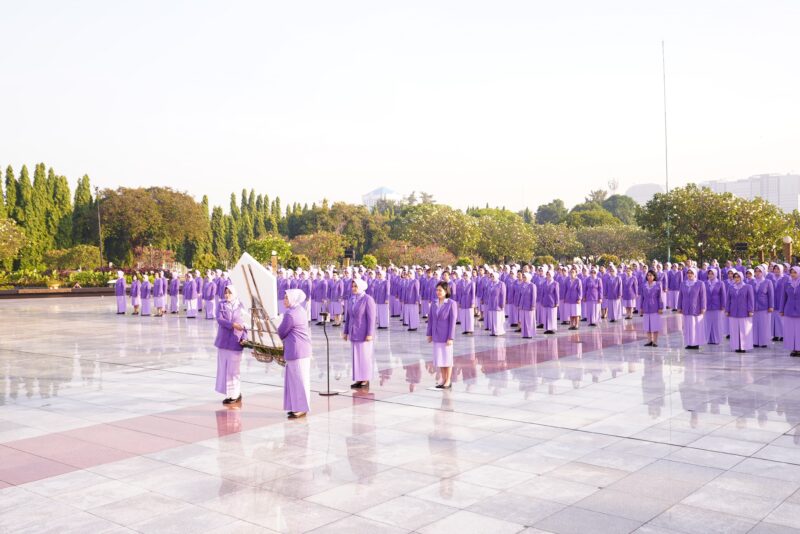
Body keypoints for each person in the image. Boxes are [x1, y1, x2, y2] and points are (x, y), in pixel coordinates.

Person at [278, 289, 313, 418]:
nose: (284, 300)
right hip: (301, 350)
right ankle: (297, 406)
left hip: (297, 350)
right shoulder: (300, 310)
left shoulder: (291, 314)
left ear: (293, 299)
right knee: (298, 380)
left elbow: (281, 332)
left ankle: (301, 408)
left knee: (299, 380)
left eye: (286, 298)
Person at [215, 285, 247, 404]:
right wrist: (232, 325)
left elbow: (246, 324)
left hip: (236, 341)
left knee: (234, 370)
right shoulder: (221, 304)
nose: (227, 295)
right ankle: (229, 394)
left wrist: (245, 338)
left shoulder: (241, 306)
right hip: (223, 341)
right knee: (224, 368)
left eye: (229, 293)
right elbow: (219, 319)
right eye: (225, 293)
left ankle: (236, 394)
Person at [344, 278, 376, 389]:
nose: (353, 288)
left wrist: (370, 333)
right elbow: (348, 316)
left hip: (363, 333)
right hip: (354, 332)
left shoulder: (368, 299)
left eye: (355, 286)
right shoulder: (352, 299)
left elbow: (371, 318)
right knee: (356, 357)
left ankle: (365, 378)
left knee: (364, 356)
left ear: (361, 287)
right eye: (352, 286)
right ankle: (358, 378)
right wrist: (345, 331)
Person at [427, 281, 457, 389]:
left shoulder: (451, 303)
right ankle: (443, 379)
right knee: (440, 359)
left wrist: (450, 337)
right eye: (437, 290)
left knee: (447, 359)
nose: (438, 292)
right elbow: (430, 319)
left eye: (440, 290)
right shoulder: (434, 303)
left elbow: (453, 322)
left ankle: (448, 380)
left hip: (446, 337)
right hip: (436, 335)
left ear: (446, 291)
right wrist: (429, 334)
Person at [677, 267, 706, 350]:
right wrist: (679, 307)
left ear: (695, 274)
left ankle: (695, 343)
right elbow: (680, 296)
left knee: (695, 326)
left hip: (696, 308)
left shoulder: (700, 283)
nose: (689, 275)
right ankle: (689, 343)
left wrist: (703, 307)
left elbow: (703, 297)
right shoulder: (683, 283)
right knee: (687, 326)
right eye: (688, 273)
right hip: (686, 308)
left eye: (691, 273)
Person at [726, 271, 754, 353]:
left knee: (744, 330)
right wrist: (727, 310)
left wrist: (750, 310)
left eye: (738, 277)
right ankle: (736, 346)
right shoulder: (731, 287)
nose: (736, 279)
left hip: (744, 312)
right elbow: (728, 300)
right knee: (734, 330)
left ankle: (744, 346)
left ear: (742, 277)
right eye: (735, 277)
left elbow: (750, 300)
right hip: (733, 312)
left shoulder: (748, 287)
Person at [752, 265, 774, 348]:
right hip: (754, 307)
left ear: (763, 272)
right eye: (756, 271)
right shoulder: (751, 282)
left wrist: (771, 306)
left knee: (764, 325)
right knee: (754, 325)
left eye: (759, 271)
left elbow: (771, 295)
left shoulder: (768, 282)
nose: (757, 273)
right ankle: (755, 341)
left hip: (764, 307)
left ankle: (764, 342)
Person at [640, 270, 664, 347]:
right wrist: (641, 307)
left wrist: (661, 307)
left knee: (655, 324)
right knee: (648, 325)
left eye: (651, 275)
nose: (649, 277)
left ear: (654, 276)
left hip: (655, 306)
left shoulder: (658, 284)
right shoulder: (644, 285)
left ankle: (655, 341)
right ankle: (649, 340)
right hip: (646, 306)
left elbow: (660, 297)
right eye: (648, 275)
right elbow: (642, 297)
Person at [781, 266, 800, 357]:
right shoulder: (787, 283)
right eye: (791, 272)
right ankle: (794, 349)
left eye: (794, 272)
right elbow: (783, 297)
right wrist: (781, 310)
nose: (792, 274)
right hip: (789, 310)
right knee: (791, 331)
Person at [705, 268, 727, 345]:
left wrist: (723, 305)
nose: (710, 275)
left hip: (717, 306)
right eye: (709, 274)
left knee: (716, 323)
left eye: (712, 274)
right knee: (707, 323)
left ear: (715, 274)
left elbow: (723, 295)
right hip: (707, 306)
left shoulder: (720, 283)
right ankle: (709, 339)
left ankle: (717, 339)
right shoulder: (705, 283)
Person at [517, 272, 537, 339]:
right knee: (523, 320)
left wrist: (533, 305)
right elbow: (520, 295)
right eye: (523, 277)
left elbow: (534, 296)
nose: (523, 278)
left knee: (529, 320)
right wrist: (519, 304)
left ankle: (530, 334)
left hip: (529, 305)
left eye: (525, 277)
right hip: (522, 305)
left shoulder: (532, 285)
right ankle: (524, 334)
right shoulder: (522, 285)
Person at [541, 269, 560, 334]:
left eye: (549, 274)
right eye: (547, 274)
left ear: (552, 275)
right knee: (546, 315)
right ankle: (547, 328)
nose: (548, 276)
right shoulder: (544, 283)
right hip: (545, 301)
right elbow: (542, 293)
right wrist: (542, 301)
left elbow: (557, 294)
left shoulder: (555, 283)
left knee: (552, 315)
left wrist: (557, 302)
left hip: (552, 301)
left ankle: (552, 328)